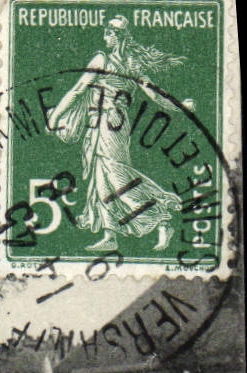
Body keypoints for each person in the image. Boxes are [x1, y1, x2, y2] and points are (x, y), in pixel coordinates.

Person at [49, 15, 188, 252]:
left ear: (117, 36)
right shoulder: (132, 64)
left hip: (107, 123)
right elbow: (156, 94)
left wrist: (54, 117)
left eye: (108, 33)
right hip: (110, 125)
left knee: (114, 174)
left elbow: (78, 89)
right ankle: (110, 234)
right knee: (101, 177)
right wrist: (180, 106)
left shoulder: (102, 59)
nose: (105, 37)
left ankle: (161, 218)